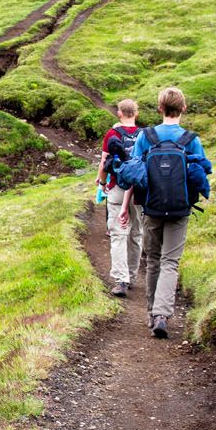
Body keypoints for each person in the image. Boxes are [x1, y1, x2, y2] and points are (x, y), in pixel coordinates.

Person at [119, 87, 208, 339]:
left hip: (152, 208)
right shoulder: (191, 139)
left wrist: (125, 206)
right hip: (180, 209)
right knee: (171, 261)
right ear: (184, 108)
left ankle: (151, 313)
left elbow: (134, 173)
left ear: (159, 109)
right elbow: (200, 175)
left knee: (154, 260)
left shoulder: (146, 136)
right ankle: (162, 314)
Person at [96, 99, 142, 298]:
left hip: (118, 188)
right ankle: (131, 275)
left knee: (118, 234)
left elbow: (104, 161)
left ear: (119, 113)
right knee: (137, 234)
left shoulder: (112, 134)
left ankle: (121, 279)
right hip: (139, 191)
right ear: (136, 114)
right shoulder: (144, 135)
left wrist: (102, 183)